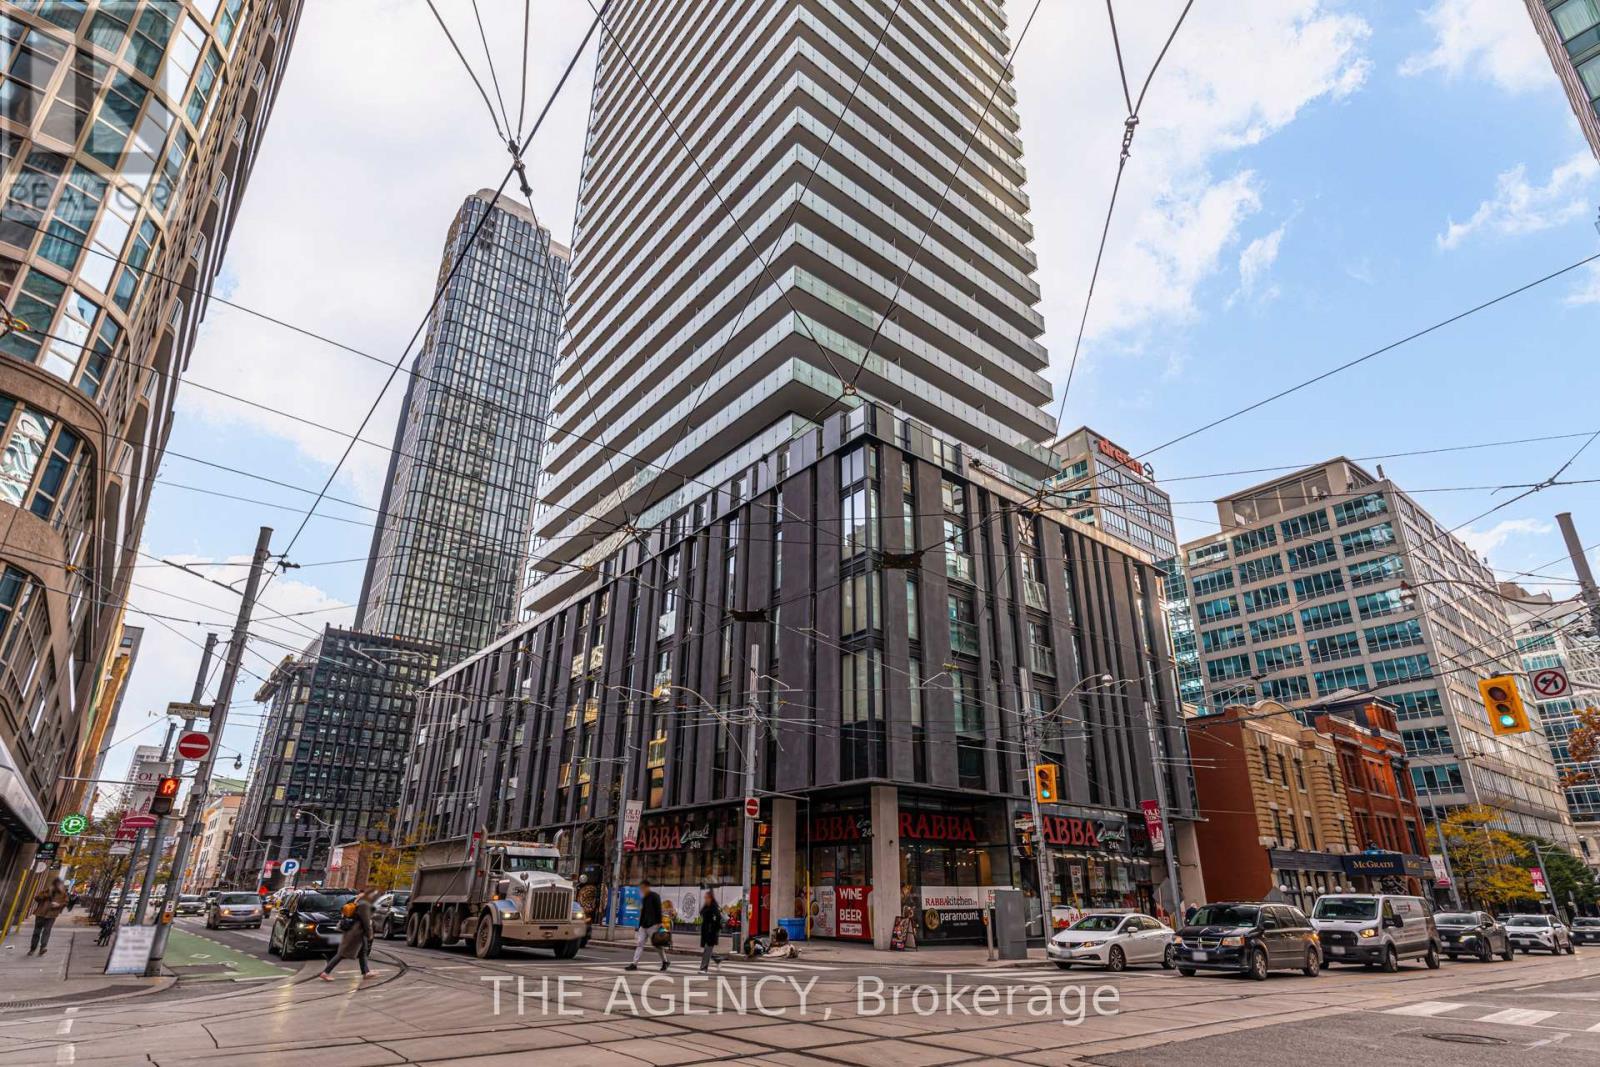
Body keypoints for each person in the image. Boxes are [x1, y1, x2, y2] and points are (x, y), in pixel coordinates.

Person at [319, 888, 376, 982]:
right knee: (342, 953)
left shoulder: (355, 901)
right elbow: (366, 922)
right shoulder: (364, 904)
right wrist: (370, 934)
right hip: (356, 933)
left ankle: (366, 972)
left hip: (356, 932)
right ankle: (325, 972)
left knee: (363, 951)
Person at [626, 879, 668, 972]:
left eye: (642, 888)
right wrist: (639, 924)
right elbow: (643, 911)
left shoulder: (655, 896)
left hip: (653, 924)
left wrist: (660, 924)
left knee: (657, 945)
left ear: (647, 887)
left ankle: (665, 961)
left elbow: (658, 910)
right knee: (640, 943)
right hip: (644, 925)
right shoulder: (644, 898)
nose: (641, 890)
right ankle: (634, 964)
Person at [26, 878, 69, 956]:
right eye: (59, 884)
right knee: (36, 932)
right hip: (40, 913)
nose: (60, 886)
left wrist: (58, 905)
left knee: (46, 931)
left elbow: (66, 902)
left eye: (60, 884)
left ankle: (43, 948)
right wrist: (47, 893)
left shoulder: (63, 894)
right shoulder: (46, 891)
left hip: (51, 915)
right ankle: (32, 949)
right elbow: (37, 898)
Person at [697, 890, 722, 973]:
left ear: (711, 898)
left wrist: (714, 928)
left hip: (711, 931)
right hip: (706, 931)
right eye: (705, 898)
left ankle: (704, 968)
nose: (705, 899)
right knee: (707, 949)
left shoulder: (714, 906)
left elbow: (718, 917)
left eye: (707, 897)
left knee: (707, 949)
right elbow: (701, 913)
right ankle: (717, 959)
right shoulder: (706, 906)